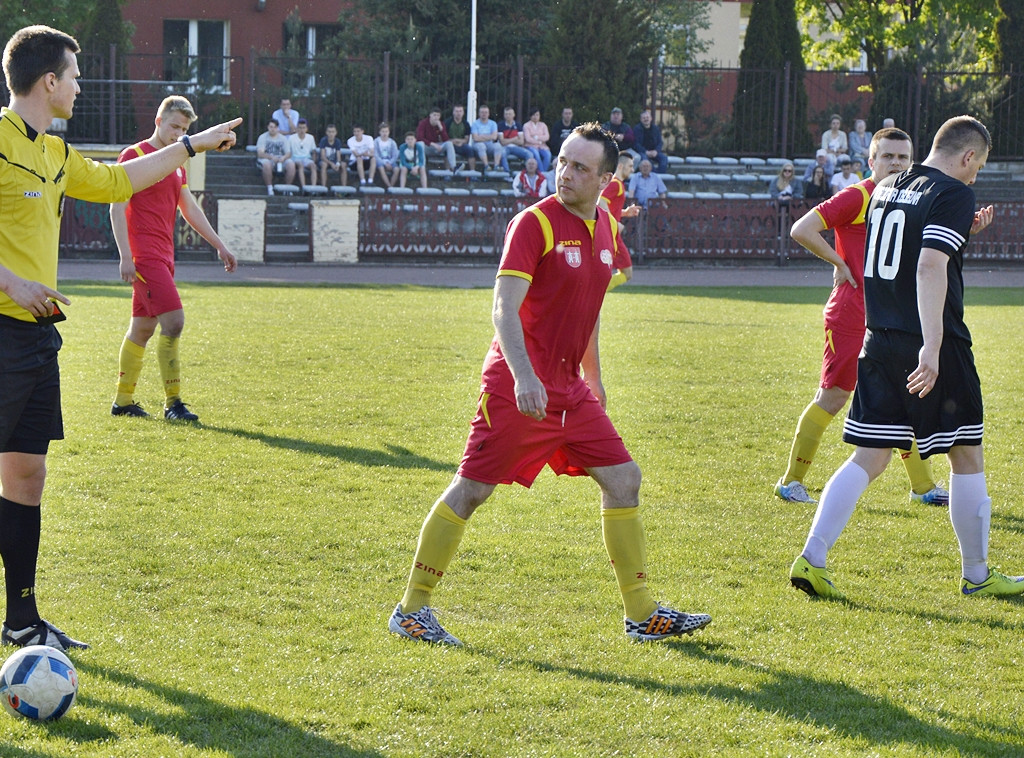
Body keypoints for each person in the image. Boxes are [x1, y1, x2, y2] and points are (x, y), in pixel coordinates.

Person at [387, 123, 711, 646]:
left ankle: (641, 614)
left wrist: (594, 379)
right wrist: (523, 377)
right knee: (472, 490)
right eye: (562, 161)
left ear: (607, 179)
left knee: (625, 479)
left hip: (570, 390)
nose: (565, 173)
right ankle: (411, 609)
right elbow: (503, 309)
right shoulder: (533, 224)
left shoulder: (605, 223)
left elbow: (590, 310)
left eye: (580, 167)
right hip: (519, 386)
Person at [0, 25, 239, 652]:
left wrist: (192, 144)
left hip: (35, 338)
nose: (79, 86)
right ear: (48, 81)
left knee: (26, 475)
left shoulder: (52, 151)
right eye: (74, 76)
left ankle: (22, 620)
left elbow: (118, 181)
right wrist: (11, 281)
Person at [788, 116, 1020, 601]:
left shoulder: (889, 185)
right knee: (966, 454)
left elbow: (907, 249)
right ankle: (977, 574)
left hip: (879, 337)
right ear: (969, 157)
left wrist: (963, 233)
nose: (975, 176)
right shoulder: (954, 192)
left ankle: (812, 556)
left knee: (867, 458)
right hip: (932, 342)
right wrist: (932, 347)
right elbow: (928, 264)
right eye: (978, 166)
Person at [777, 127, 949, 507]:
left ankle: (923, 488)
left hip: (891, 315)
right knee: (834, 397)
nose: (896, 164)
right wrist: (838, 261)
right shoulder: (859, 195)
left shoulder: (910, 197)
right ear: (870, 161)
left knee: (906, 395)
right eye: (887, 157)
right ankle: (791, 482)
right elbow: (801, 229)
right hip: (851, 315)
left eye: (903, 158)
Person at [110, 95, 238, 423]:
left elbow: (189, 207)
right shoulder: (135, 155)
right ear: (158, 121)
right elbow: (116, 205)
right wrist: (126, 256)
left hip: (165, 256)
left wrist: (219, 244)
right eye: (174, 126)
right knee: (175, 322)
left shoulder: (177, 162)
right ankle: (173, 404)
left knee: (142, 329)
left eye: (184, 129)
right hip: (145, 258)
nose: (178, 133)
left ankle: (123, 401)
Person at [598, 153, 640, 291]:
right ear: (620, 166)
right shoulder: (615, 183)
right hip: (611, 236)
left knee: (621, 273)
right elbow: (601, 202)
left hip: (611, 235)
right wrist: (613, 224)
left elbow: (608, 207)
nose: (632, 170)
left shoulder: (618, 184)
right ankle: (595, 293)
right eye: (630, 166)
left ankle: (594, 295)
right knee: (627, 273)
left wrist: (624, 213)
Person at [255, 119, 293, 195]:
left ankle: (287, 188)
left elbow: (288, 153)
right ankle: (270, 188)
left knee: (291, 164)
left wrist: (283, 158)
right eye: (271, 127)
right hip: (267, 159)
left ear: (278, 128)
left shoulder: (283, 138)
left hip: (281, 159)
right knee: (267, 164)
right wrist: (271, 157)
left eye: (275, 127)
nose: (273, 129)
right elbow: (260, 154)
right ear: (268, 127)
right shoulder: (263, 137)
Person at [415, 108, 456, 172]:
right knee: (420, 144)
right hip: (426, 147)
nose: (436, 117)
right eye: (434, 115)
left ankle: (454, 167)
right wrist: (432, 144)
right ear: (430, 115)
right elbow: (419, 137)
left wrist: (441, 129)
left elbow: (446, 139)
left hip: (437, 148)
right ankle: (422, 167)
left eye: (438, 115)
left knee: (449, 144)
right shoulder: (423, 123)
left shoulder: (441, 124)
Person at [497, 106, 533, 174]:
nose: (508, 116)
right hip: (505, 147)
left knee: (529, 154)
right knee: (502, 153)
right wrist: (515, 139)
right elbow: (502, 142)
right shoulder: (500, 125)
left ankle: (526, 173)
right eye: (506, 114)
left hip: (516, 147)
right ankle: (506, 173)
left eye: (510, 114)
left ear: (514, 115)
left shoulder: (518, 125)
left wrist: (507, 140)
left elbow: (521, 141)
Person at [632, 109, 667, 174]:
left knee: (664, 158)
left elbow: (660, 142)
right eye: (644, 118)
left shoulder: (655, 128)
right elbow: (636, 144)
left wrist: (656, 151)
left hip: (654, 152)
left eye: (647, 117)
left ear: (651, 118)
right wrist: (646, 152)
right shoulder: (637, 129)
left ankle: (661, 176)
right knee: (645, 159)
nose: (646, 119)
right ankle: (654, 175)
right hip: (642, 152)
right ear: (641, 120)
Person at [287, 118, 317, 190]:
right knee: (300, 165)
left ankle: (313, 188)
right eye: (300, 128)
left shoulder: (310, 137)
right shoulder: (291, 138)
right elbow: (288, 151)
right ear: (297, 128)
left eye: (303, 128)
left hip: (306, 158)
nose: (302, 130)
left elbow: (313, 151)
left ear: (306, 129)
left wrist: (314, 160)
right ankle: (304, 187)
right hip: (295, 158)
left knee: (313, 166)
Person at [470, 104, 503, 171]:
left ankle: (496, 166)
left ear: (488, 114)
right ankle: (486, 166)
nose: (484, 114)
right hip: (477, 145)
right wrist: (489, 136)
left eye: (486, 112)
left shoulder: (493, 123)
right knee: (481, 146)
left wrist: (482, 136)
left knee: (498, 146)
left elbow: (494, 137)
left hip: (489, 145)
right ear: (479, 113)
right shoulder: (475, 124)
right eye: (482, 112)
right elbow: (475, 138)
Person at [444, 104, 474, 171]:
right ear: (453, 112)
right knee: (447, 149)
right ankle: (447, 173)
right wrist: (453, 142)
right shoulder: (447, 123)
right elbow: (444, 138)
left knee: (469, 149)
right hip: (450, 144)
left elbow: (467, 140)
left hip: (461, 145)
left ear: (463, 113)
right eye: (457, 111)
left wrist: (458, 141)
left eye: (460, 111)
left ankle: (473, 173)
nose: (458, 113)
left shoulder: (466, 124)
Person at [522, 108, 551, 172]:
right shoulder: (526, 125)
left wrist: (536, 137)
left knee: (548, 155)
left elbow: (547, 137)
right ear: (530, 116)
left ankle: (543, 172)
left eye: (537, 115)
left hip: (542, 146)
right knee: (536, 154)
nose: (535, 117)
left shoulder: (543, 125)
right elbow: (528, 138)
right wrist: (540, 141)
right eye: (534, 115)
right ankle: (541, 172)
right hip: (530, 146)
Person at [318, 123, 347, 187]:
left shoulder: (337, 141)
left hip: (334, 161)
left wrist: (337, 164)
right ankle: (323, 187)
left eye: (333, 132)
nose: (331, 134)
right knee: (324, 165)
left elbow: (338, 155)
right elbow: (323, 157)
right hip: (325, 161)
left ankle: (344, 187)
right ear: (326, 133)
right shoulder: (323, 140)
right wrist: (331, 164)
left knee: (344, 165)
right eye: (329, 132)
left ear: (336, 133)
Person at [373, 122, 400, 188]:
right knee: (381, 168)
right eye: (383, 131)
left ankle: (391, 185)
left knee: (397, 169)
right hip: (380, 161)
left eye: (386, 131)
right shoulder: (376, 141)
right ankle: (389, 186)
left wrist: (390, 163)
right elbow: (375, 154)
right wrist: (384, 163)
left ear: (389, 132)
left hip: (390, 161)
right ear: (380, 132)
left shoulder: (392, 142)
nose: (384, 133)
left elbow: (395, 155)